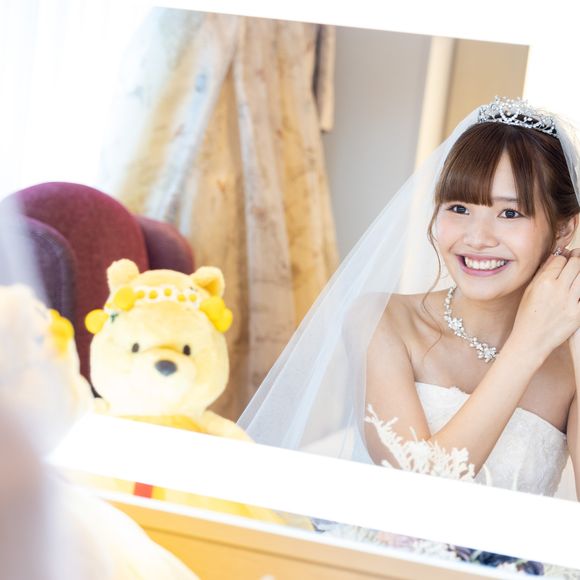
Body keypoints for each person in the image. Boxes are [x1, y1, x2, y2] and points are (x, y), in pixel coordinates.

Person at [238, 97, 580, 499]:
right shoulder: (381, 319)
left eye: (510, 213)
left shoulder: (572, 362)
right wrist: (527, 347)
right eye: (459, 207)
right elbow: (416, 494)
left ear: (563, 229)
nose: (477, 238)